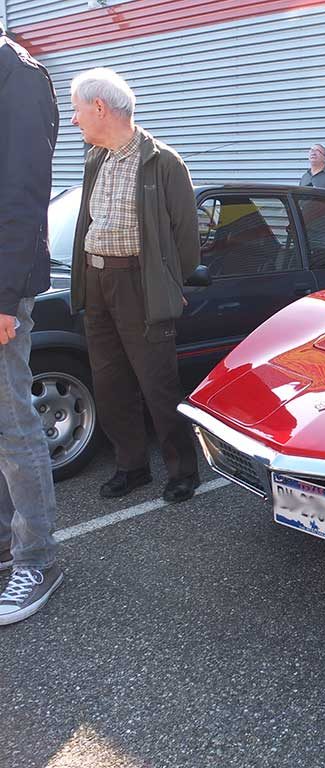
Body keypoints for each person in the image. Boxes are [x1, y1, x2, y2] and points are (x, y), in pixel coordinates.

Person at [69, 68, 201, 503]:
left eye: (78, 110)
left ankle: (183, 471)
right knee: (109, 382)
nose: (75, 120)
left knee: (157, 382)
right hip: (97, 279)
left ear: (101, 108)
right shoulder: (96, 158)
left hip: (138, 283)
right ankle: (132, 467)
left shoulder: (162, 161)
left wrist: (169, 281)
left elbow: (186, 234)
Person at [0, 31, 64, 625]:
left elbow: (21, 195)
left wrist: (3, 297)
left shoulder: (18, 74)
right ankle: (6, 541)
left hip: (0, 290)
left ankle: (38, 558)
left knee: (14, 427)